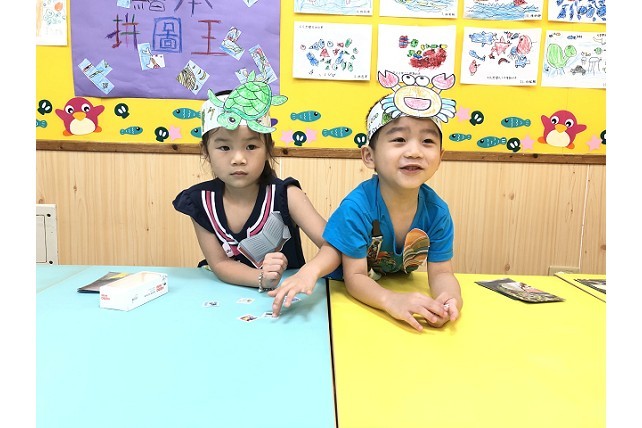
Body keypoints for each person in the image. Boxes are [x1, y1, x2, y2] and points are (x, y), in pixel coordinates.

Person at [316, 89, 463, 331]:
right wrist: (391, 300)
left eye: (427, 141)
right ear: (369, 156)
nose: (414, 151)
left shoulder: (438, 213)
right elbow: (355, 277)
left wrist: (450, 300)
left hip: (399, 289)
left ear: (440, 156)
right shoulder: (357, 208)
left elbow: (441, 273)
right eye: (399, 140)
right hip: (344, 301)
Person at [173, 82, 339, 294]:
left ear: (268, 149)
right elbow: (220, 263)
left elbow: (334, 246)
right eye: (224, 147)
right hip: (223, 297)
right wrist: (263, 278)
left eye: (251, 146)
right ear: (206, 151)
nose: (238, 158)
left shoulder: (287, 195)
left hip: (286, 299)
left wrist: (308, 273)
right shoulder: (200, 202)